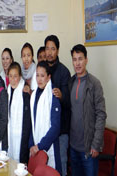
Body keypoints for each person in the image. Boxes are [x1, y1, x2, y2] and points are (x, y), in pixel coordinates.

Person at [68, 44, 106, 176]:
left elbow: (101, 115)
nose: (77, 63)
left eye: (80, 59)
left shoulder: (94, 84)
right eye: (74, 59)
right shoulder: (71, 82)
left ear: (86, 60)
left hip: (89, 149)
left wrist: (96, 144)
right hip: (73, 147)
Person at [29, 61, 62, 174]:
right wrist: (31, 145)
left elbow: (56, 128)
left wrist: (40, 146)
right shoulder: (34, 95)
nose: (39, 79)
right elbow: (32, 124)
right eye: (37, 75)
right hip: (35, 148)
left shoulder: (53, 95)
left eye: (42, 76)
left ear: (49, 77)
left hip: (49, 147)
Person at [45, 35, 71, 176]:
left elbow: (69, 102)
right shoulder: (42, 70)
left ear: (58, 51)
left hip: (61, 132)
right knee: (46, 169)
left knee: (60, 169)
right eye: (47, 48)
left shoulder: (64, 72)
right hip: (45, 130)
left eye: (53, 49)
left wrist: (62, 96)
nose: (49, 52)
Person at [7, 62, 31, 163]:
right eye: (10, 76)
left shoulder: (24, 93)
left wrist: (25, 141)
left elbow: (27, 121)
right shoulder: (7, 90)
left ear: (20, 76)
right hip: (10, 135)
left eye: (15, 76)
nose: (12, 79)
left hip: (22, 138)